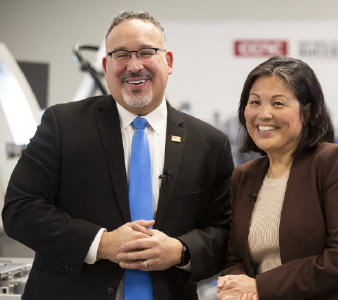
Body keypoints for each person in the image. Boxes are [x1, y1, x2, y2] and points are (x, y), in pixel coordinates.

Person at [2, 11, 233, 300]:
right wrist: (103, 243)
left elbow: (224, 233)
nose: (134, 66)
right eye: (121, 54)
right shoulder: (62, 125)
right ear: (105, 64)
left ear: (169, 61)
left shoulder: (209, 143)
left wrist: (181, 251)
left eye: (146, 52)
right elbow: (19, 210)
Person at [216, 56, 338, 300]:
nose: (264, 114)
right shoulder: (244, 176)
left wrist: (261, 286)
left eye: (278, 104)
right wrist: (237, 286)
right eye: (255, 102)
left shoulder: (332, 162)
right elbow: (236, 257)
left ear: (307, 111)